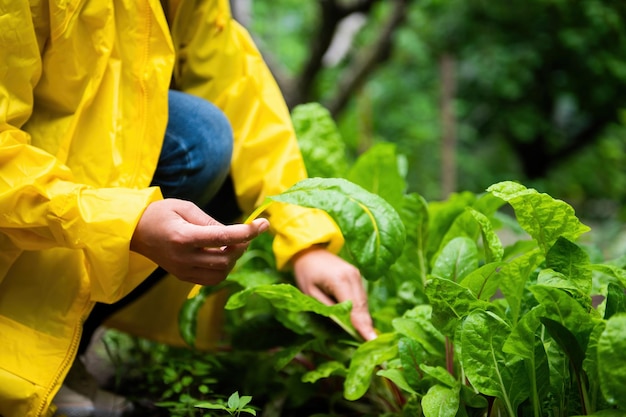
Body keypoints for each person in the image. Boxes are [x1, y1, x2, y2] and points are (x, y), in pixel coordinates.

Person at [0, 0, 377, 416]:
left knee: (212, 142)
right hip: (24, 195)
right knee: (199, 139)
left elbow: (241, 94)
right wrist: (126, 222)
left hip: (70, 182)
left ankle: (65, 358)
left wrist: (307, 243)